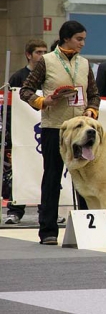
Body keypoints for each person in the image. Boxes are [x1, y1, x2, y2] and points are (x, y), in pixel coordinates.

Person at [19, 20, 100, 245]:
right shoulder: (46, 61)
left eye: (84, 39)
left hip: (82, 131)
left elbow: (93, 94)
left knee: (84, 178)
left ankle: (87, 227)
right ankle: (48, 231)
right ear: (66, 38)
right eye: (79, 39)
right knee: (53, 178)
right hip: (55, 129)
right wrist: (45, 101)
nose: (83, 43)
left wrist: (92, 110)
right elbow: (25, 91)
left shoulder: (85, 63)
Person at [4, 39, 48, 224]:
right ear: (28, 55)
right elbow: (9, 107)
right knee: (20, 170)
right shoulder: (17, 77)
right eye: (38, 52)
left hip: (43, 130)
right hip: (20, 133)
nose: (42, 56)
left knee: (46, 171)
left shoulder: (49, 76)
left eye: (45, 52)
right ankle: (15, 211)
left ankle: (46, 209)